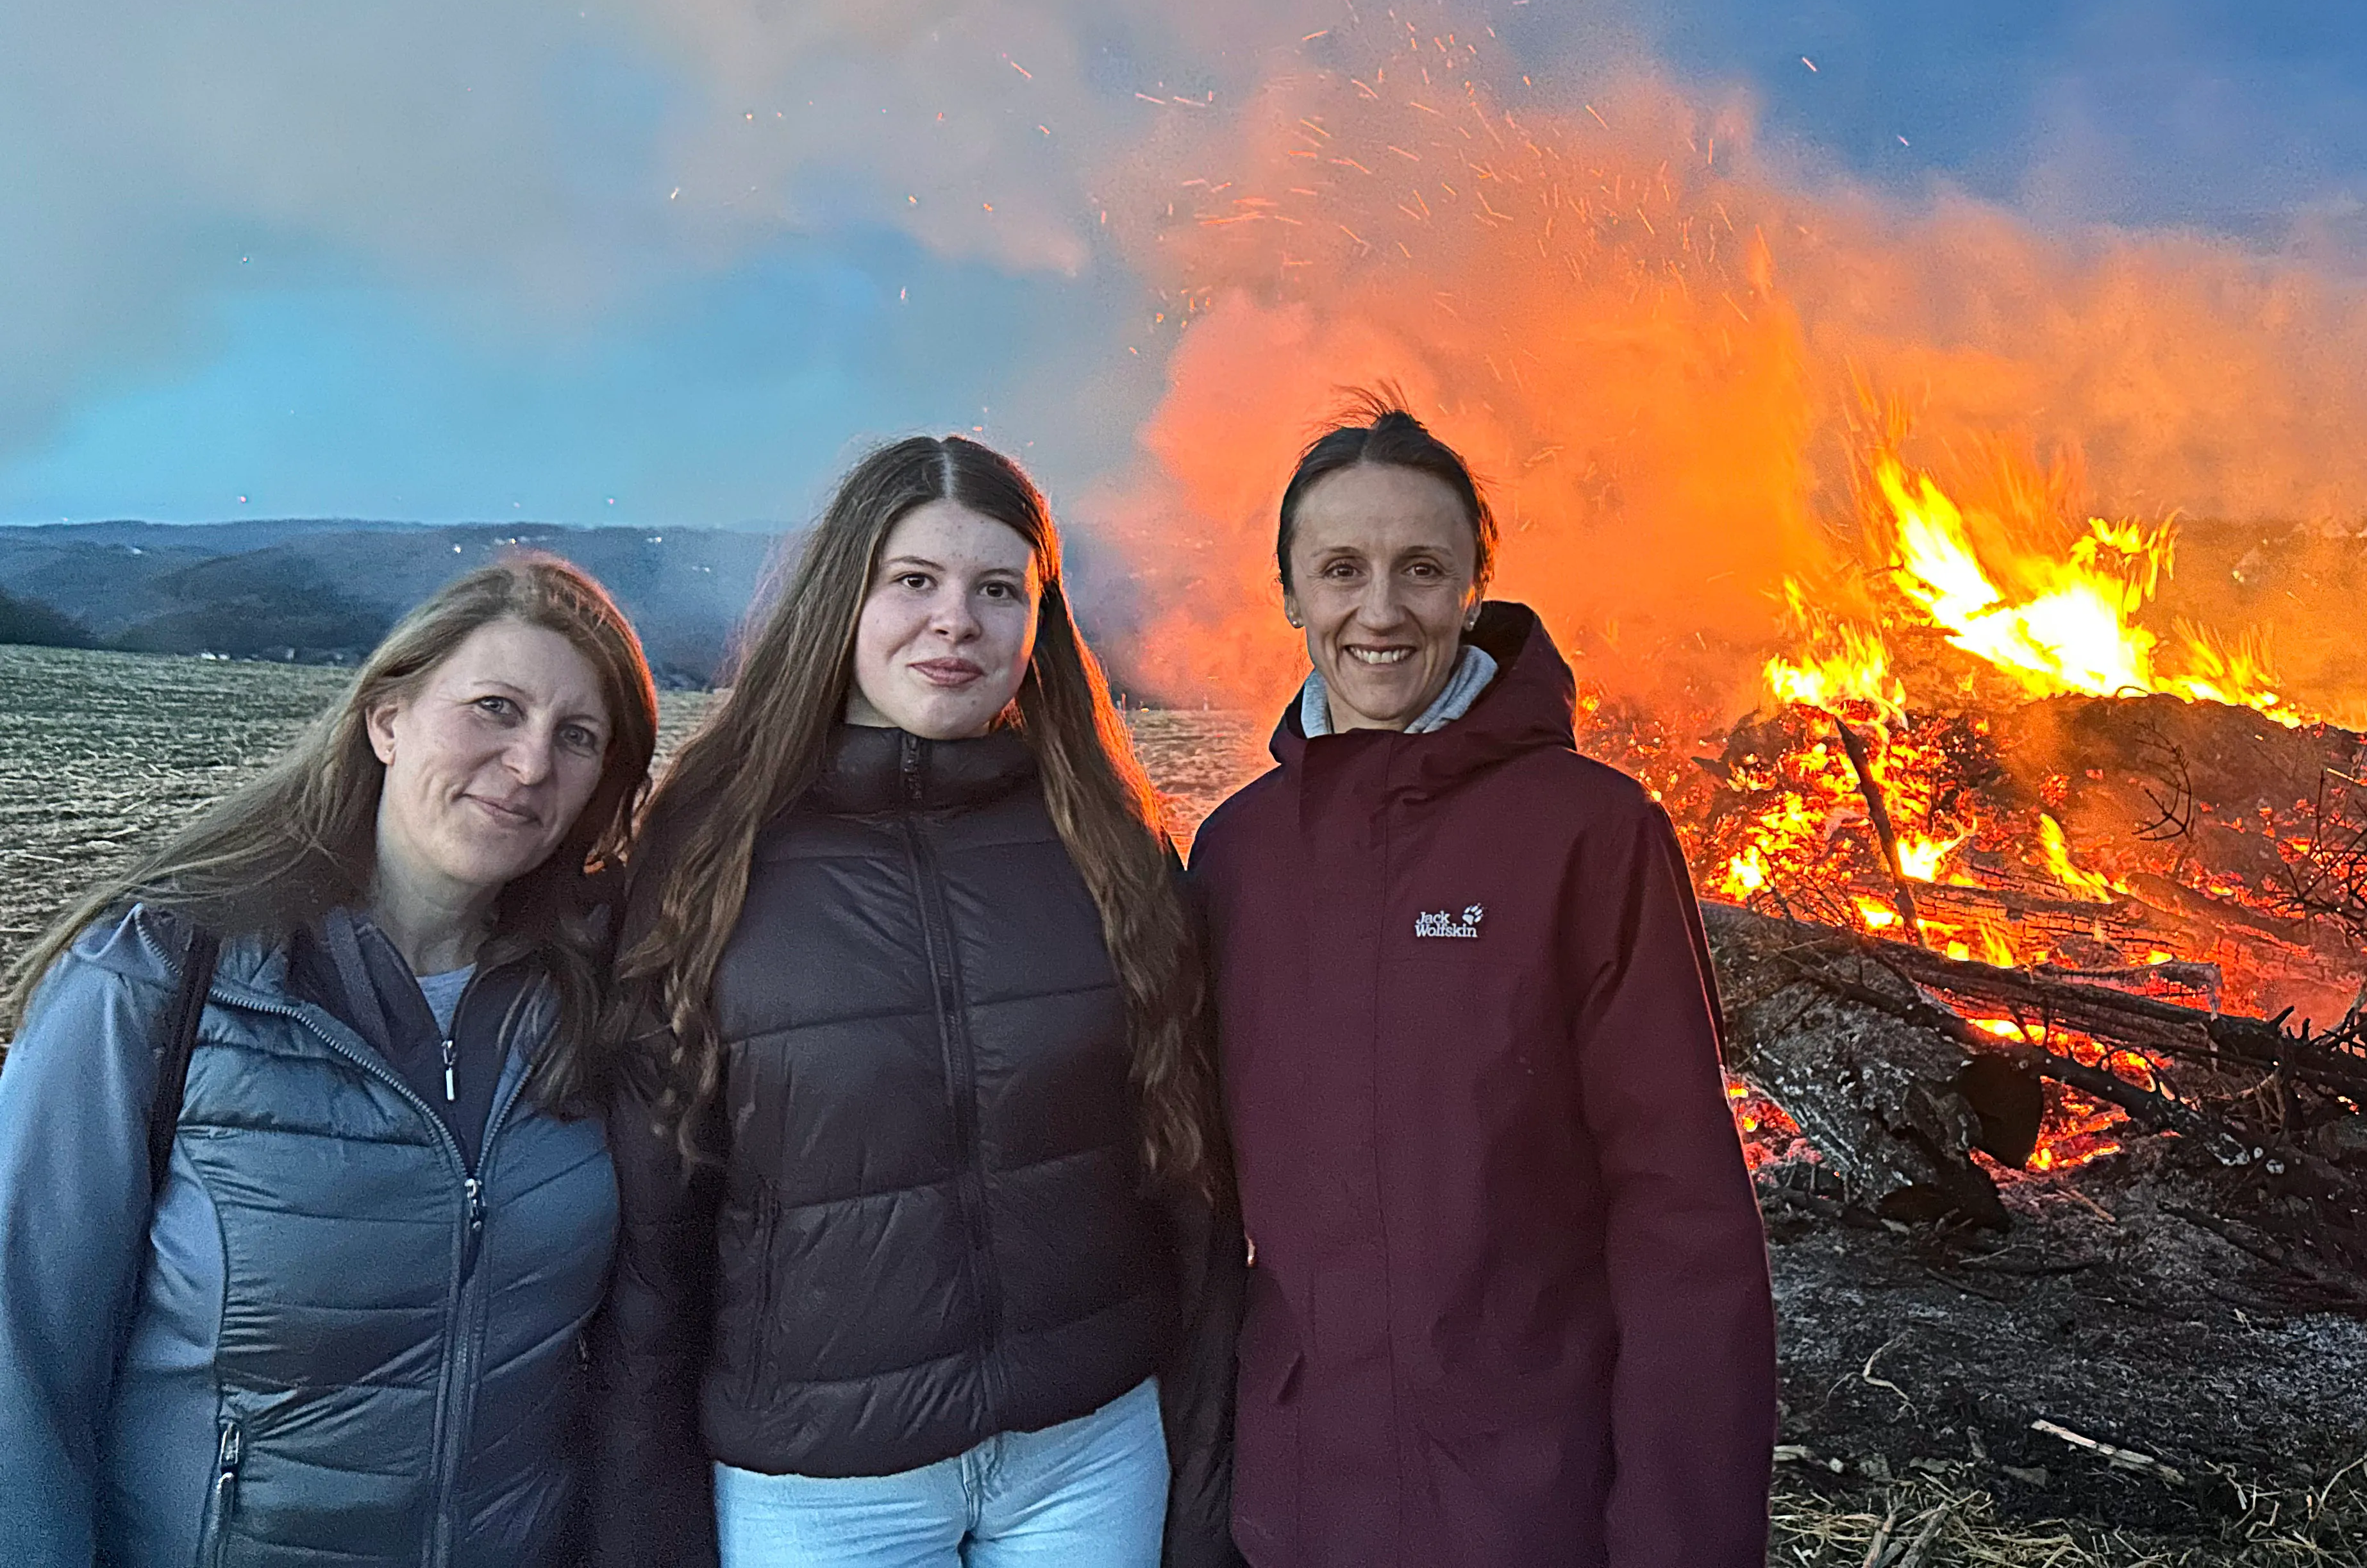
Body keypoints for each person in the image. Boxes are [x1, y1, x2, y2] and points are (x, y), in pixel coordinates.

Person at [590, 434, 1239, 1568]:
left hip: (1089, 1452)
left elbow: (1183, 1171)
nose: (957, 622)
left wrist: (1206, 1437)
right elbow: (659, 1221)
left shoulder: (1114, 848)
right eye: (916, 582)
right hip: (821, 1480)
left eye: (1000, 589)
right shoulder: (708, 857)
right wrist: (645, 1507)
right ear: (846, 596)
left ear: (1040, 627)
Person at [1187, 399, 1780, 1568]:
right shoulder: (1237, 855)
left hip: (1526, 1503)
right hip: (1294, 1503)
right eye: (1342, 569)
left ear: (1474, 585)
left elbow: (1685, 1227)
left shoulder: (1591, 837)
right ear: (1290, 594)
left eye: (1422, 568)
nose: (1381, 609)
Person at [0, 556, 658, 1568]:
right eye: (493, 708)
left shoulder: (595, 1000)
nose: (530, 765)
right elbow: (19, 1359)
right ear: (387, 720)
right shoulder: (158, 979)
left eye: (577, 738)